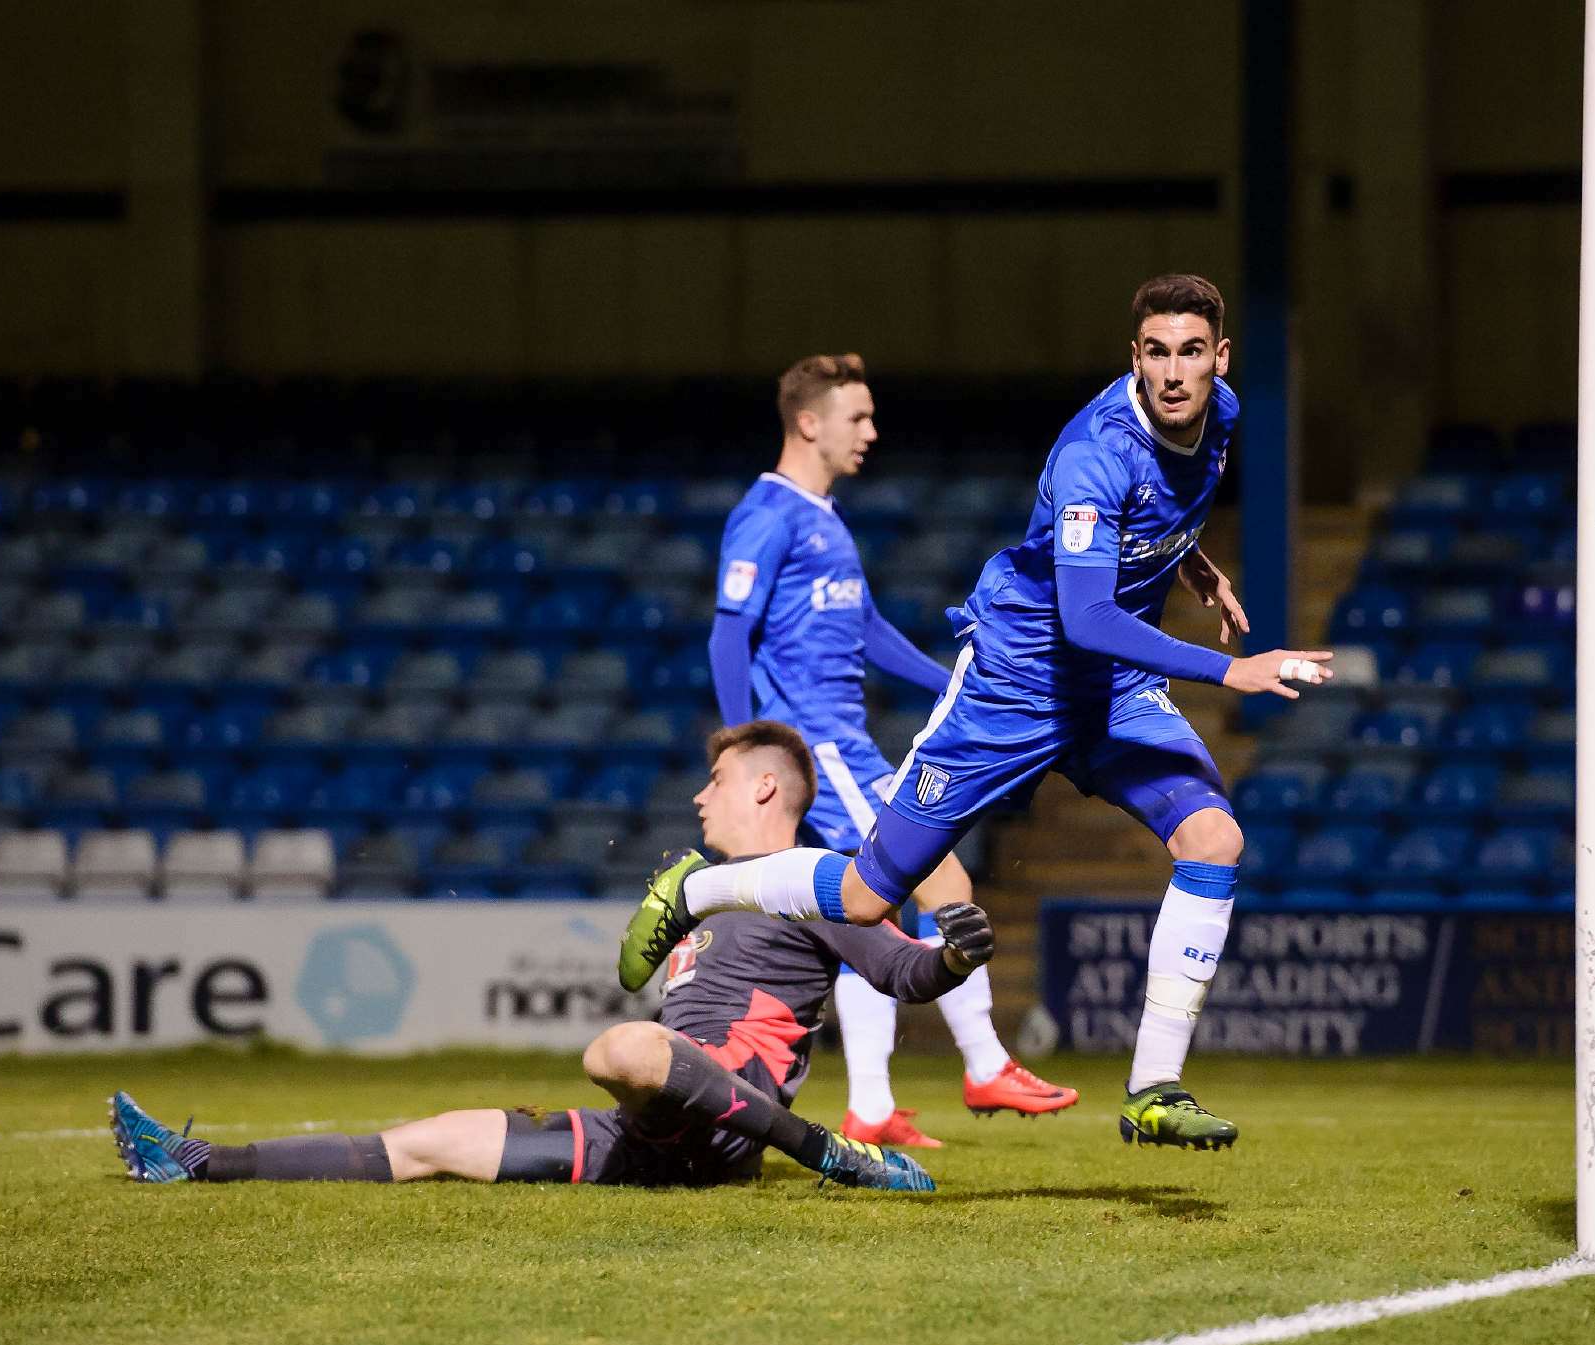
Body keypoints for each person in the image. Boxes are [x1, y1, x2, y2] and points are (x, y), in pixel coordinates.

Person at [619, 275, 1334, 1151]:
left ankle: (1153, 1086)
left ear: (1219, 357)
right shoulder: (1091, 454)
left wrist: (1190, 563)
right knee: (864, 893)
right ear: (1134, 357)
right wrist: (1230, 670)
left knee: (1214, 839)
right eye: (1156, 352)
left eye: (1192, 351)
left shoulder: (1219, 413)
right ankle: (697, 889)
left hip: (1110, 690)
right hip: (1017, 682)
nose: (1175, 371)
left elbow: (1161, 510)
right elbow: (1086, 616)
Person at [109, 721, 995, 1192]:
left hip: (727, 1121)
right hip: (654, 1132)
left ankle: (829, 1152)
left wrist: (951, 955)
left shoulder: (814, 880)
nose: (698, 797)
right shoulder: (704, 891)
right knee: (430, 1141)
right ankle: (200, 1162)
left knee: (619, 1048)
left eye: (715, 780)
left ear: (764, 785)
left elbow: (902, 971)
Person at [705, 352, 1075, 1147]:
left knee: (866, 904)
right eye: (857, 417)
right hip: (819, 744)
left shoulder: (824, 516)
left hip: (843, 741)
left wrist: (954, 678)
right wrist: (744, 744)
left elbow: (867, 630)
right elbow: (728, 630)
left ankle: (870, 1101)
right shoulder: (767, 515)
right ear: (810, 422)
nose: (871, 432)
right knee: (938, 867)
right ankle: (982, 1063)